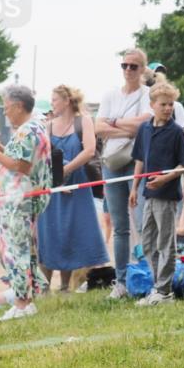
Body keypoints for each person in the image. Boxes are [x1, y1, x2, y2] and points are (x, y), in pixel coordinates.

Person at [0, 85, 51, 321]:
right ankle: (25, 300)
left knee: (15, 251)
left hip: (18, 200)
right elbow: (19, 158)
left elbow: (21, 166)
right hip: (20, 199)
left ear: (19, 106)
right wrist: (0, 146)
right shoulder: (32, 128)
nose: (5, 112)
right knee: (23, 250)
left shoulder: (28, 130)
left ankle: (22, 303)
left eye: (7, 107)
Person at [38, 85, 109, 293]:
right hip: (52, 186)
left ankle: (65, 286)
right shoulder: (48, 126)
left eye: (55, 100)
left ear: (67, 100)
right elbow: (43, 155)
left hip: (77, 184)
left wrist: (66, 170)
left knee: (70, 232)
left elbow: (89, 151)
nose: (52, 104)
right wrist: (56, 178)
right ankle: (44, 288)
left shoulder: (84, 121)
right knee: (49, 232)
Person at [95, 48, 152, 298]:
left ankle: (152, 276)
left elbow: (145, 124)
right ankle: (120, 281)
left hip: (138, 160)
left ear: (143, 69)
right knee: (119, 226)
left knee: (142, 220)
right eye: (125, 65)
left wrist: (114, 123)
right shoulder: (110, 95)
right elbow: (98, 127)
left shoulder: (149, 94)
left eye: (134, 66)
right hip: (112, 160)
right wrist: (127, 128)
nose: (128, 70)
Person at [128, 83, 184, 306]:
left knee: (166, 242)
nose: (167, 108)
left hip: (166, 194)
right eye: (163, 104)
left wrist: (165, 178)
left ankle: (164, 291)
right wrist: (135, 188)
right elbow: (140, 160)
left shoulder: (175, 132)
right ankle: (158, 285)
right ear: (152, 105)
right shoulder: (144, 129)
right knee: (147, 241)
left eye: (170, 104)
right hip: (148, 194)